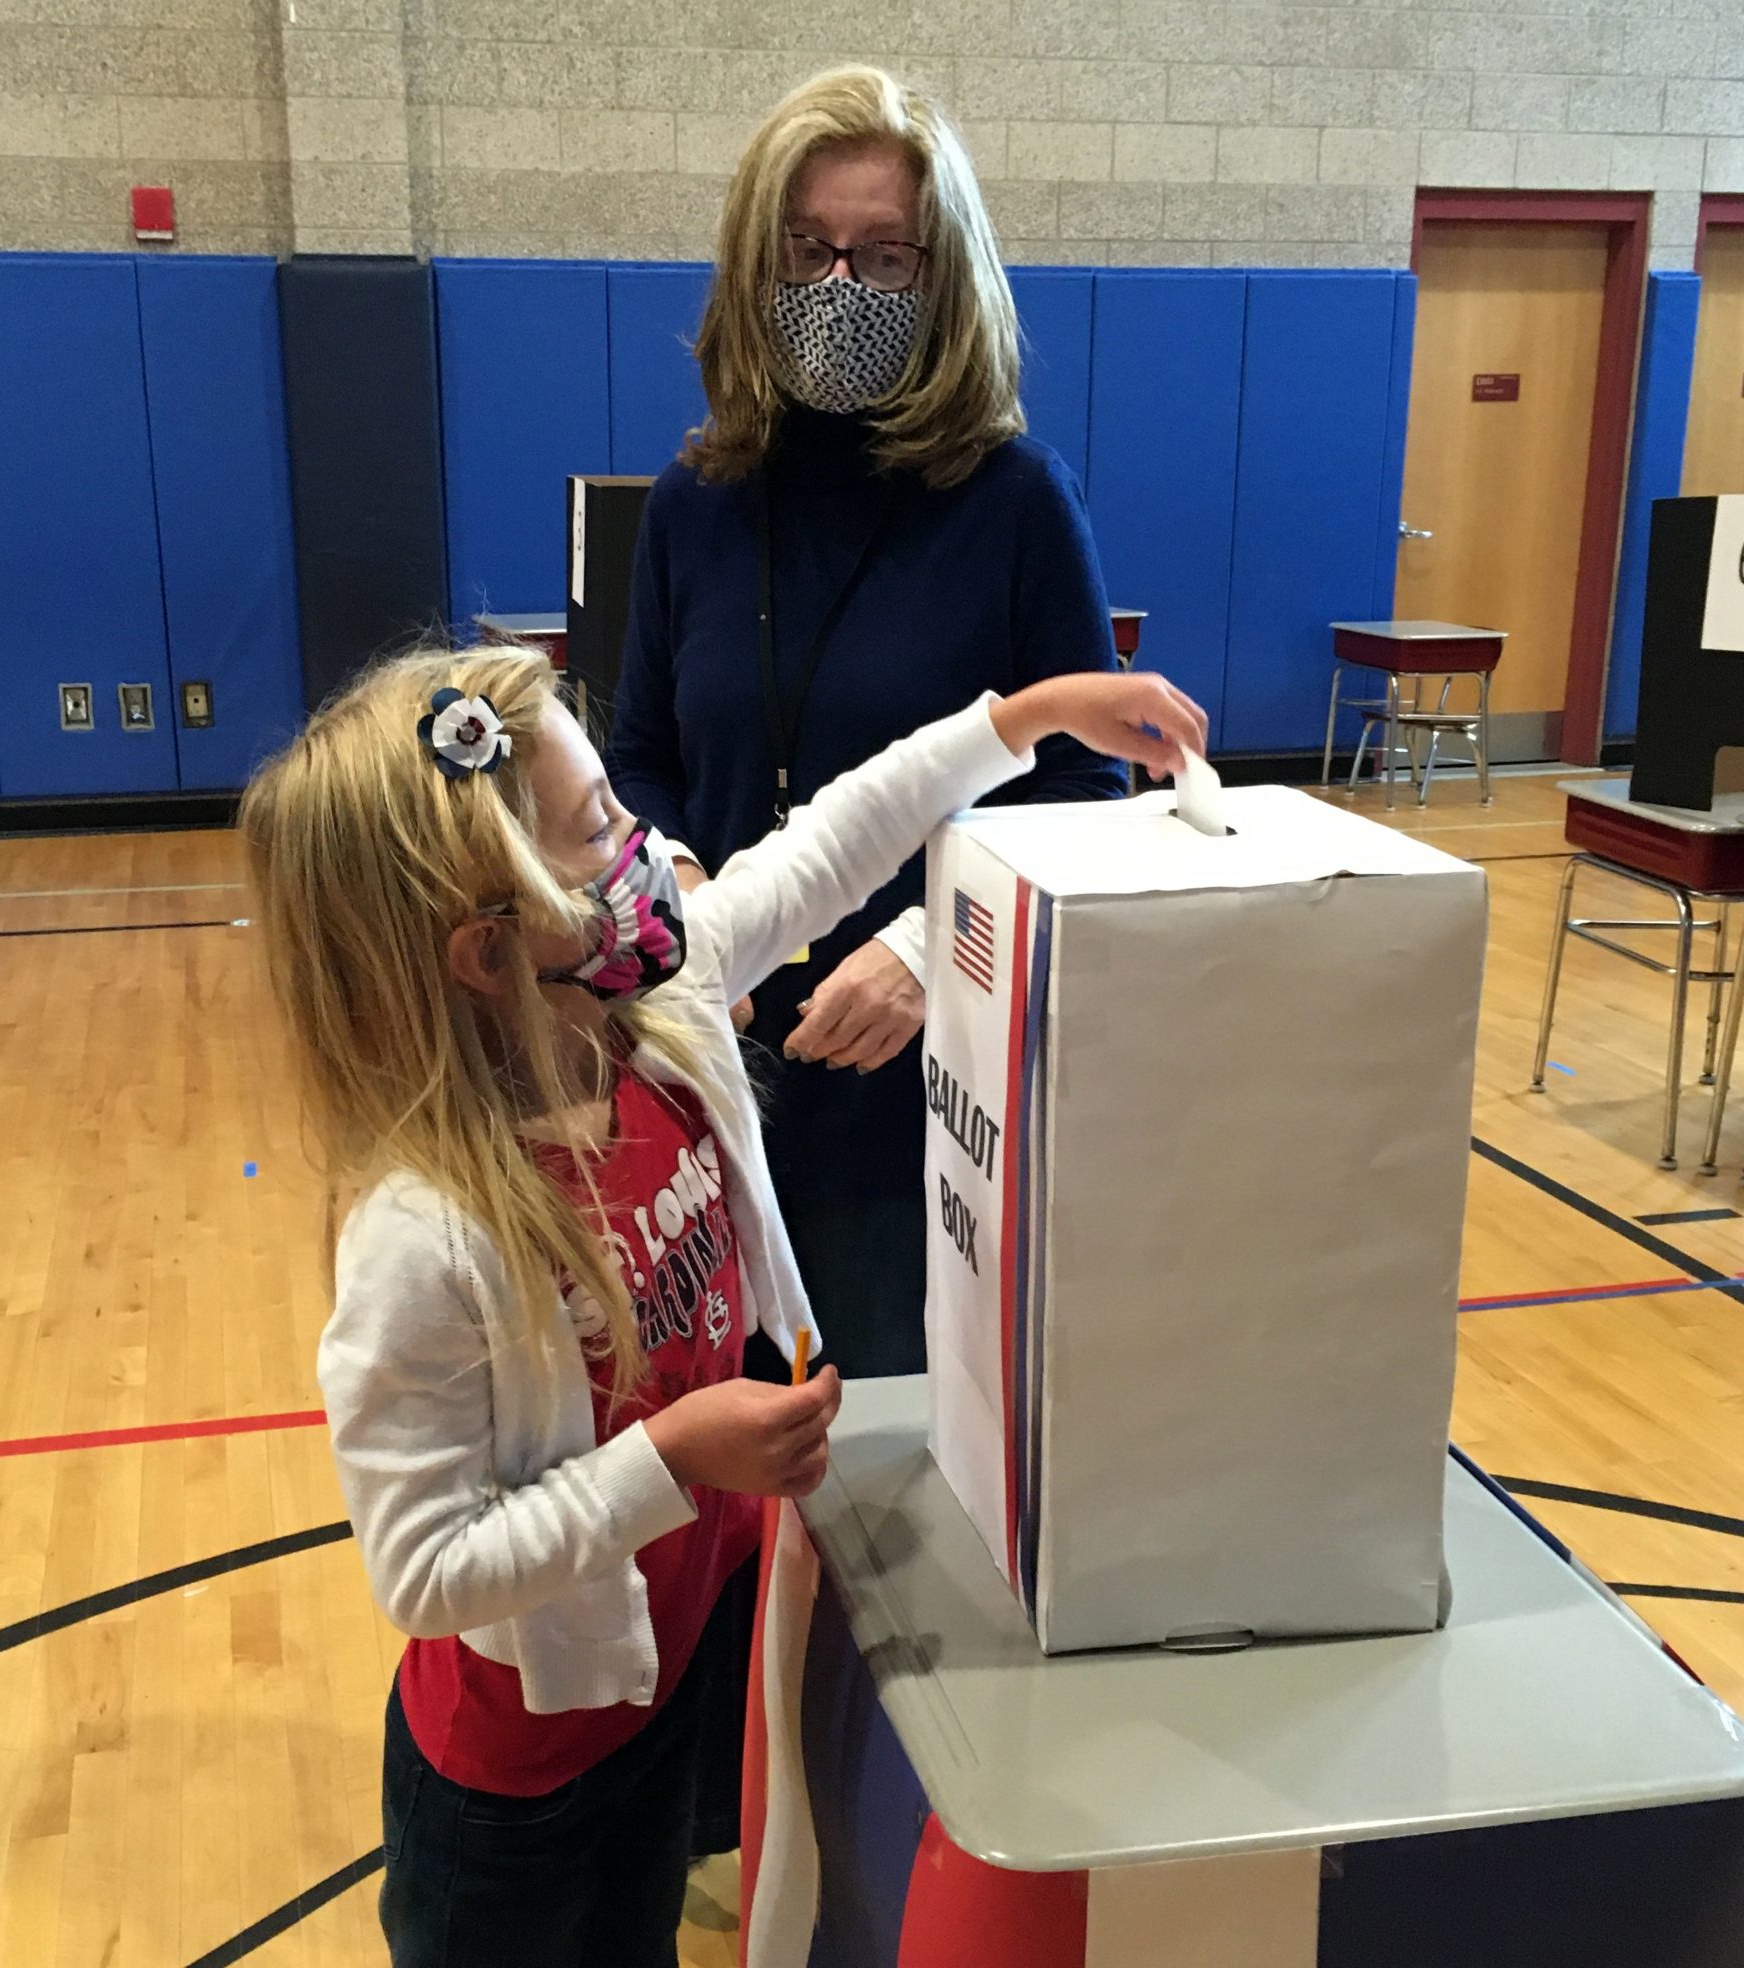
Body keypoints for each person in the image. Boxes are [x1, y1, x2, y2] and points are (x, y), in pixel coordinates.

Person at [239, 642, 1205, 1968]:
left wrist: (1023, 721)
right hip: (512, 1794)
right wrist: (676, 1458)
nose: (652, 848)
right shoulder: (427, 1239)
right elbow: (422, 1570)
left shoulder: (666, 1008)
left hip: (659, 1699)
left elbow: (830, 843)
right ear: (491, 946)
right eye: (600, 831)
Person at [608, 65, 1132, 1388]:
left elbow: (1082, 796)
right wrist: (675, 881)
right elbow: (643, 755)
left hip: (927, 1099)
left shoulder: (1015, 503)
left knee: (886, 1472)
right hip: (710, 1076)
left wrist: (924, 950)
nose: (839, 286)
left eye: (883, 257)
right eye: (809, 251)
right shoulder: (693, 501)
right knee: (723, 1460)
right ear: (756, 260)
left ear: (942, 279)